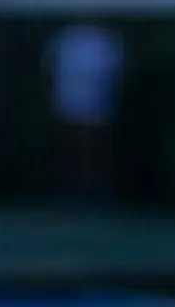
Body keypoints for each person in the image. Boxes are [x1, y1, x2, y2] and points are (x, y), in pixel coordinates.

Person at [42, 19, 123, 202]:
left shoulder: (106, 41)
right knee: (70, 145)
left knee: (93, 146)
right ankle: (69, 186)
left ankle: (93, 187)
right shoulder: (64, 39)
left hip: (97, 105)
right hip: (68, 103)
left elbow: (115, 72)